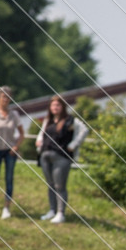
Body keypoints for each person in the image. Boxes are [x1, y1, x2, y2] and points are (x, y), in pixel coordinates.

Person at [37, 95, 85, 224]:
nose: (55, 107)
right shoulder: (48, 120)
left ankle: (60, 213)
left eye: (58, 105)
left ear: (63, 107)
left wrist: (73, 145)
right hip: (45, 156)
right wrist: (39, 140)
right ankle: (52, 210)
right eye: (53, 105)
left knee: (59, 186)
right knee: (51, 185)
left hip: (61, 157)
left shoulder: (70, 120)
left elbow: (84, 130)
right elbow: (42, 133)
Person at [0, 85, 24, 219]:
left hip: (10, 151)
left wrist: (16, 146)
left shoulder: (14, 115)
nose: (5, 100)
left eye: (8, 97)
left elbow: (21, 133)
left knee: (9, 178)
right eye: (3, 97)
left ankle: (6, 207)